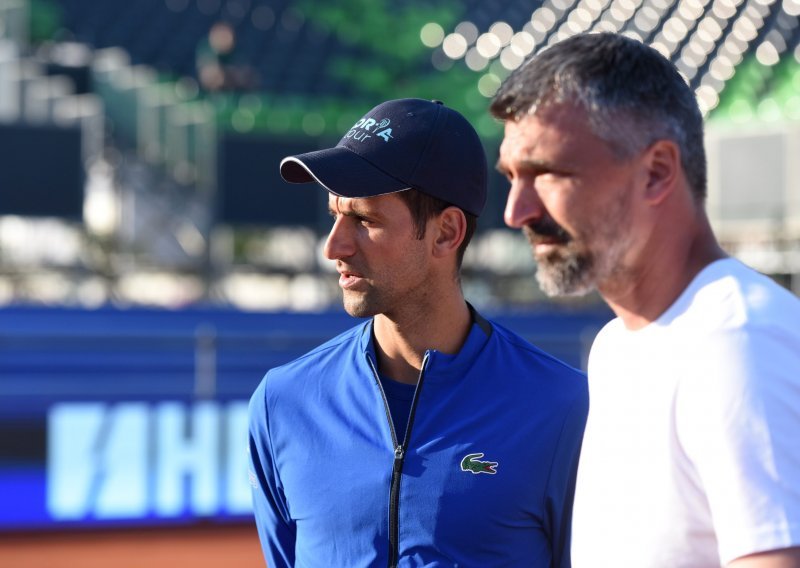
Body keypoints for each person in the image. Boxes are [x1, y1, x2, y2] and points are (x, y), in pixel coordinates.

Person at [491, 32, 800, 567]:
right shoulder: (619, 345)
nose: (516, 211)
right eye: (512, 177)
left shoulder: (736, 341)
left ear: (656, 172)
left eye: (548, 173)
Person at [247, 98, 589, 567]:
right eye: (334, 216)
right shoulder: (281, 403)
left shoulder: (563, 409)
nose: (335, 246)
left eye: (365, 220)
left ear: (446, 233)